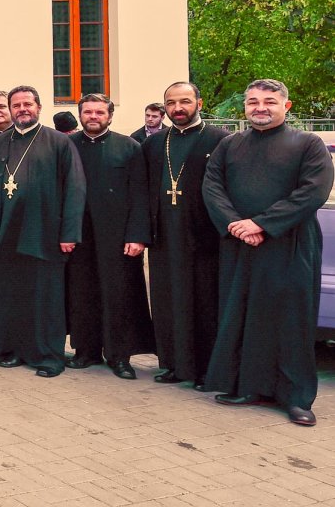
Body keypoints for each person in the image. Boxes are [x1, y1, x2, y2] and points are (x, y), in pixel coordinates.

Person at [201, 79, 334, 426]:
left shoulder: (307, 144)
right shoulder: (230, 145)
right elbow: (212, 185)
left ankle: (296, 398)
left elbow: (312, 192)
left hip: (290, 243)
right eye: (253, 102)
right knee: (245, 315)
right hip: (239, 245)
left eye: (270, 102)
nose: (261, 107)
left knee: (291, 320)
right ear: (244, 107)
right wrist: (235, 224)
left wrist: (260, 223)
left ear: (286, 107)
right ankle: (250, 387)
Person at [0, 85, 86, 378]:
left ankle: (48, 355)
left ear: (38, 107)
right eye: (16, 105)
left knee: (45, 296)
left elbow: (75, 188)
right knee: (12, 293)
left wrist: (69, 233)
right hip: (5, 232)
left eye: (27, 104)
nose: (22, 109)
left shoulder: (59, 142)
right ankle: (15, 349)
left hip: (45, 233)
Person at [128, 81, 229, 389]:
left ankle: (204, 370)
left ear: (198, 102)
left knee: (204, 304)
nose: (177, 108)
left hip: (204, 239)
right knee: (167, 301)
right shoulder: (155, 144)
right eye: (171, 103)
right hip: (164, 239)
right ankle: (172, 364)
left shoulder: (220, 140)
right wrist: (140, 234)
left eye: (184, 101)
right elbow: (140, 192)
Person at [65, 94, 155, 379]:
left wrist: (138, 235)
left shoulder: (129, 146)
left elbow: (141, 193)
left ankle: (119, 356)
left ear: (110, 115)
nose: (93, 116)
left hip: (118, 237)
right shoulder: (68, 146)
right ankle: (85, 351)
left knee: (119, 295)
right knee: (82, 293)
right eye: (87, 112)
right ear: (80, 115)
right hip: (79, 234)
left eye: (99, 112)